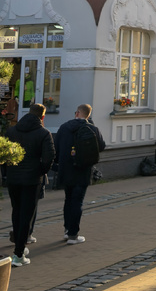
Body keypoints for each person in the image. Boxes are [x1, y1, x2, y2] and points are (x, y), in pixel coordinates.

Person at [6, 102, 55, 267]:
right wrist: (40, 171)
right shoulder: (43, 133)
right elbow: (49, 157)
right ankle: (19, 254)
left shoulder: (12, 131)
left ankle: (19, 247)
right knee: (27, 215)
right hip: (32, 180)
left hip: (13, 178)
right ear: (42, 116)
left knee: (16, 211)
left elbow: (4, 153)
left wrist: (6, 173)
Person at [54, 103, 105, 245]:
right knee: (78, 201)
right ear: (88, 115)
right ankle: (73, 234)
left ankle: (66, 230)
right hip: (83, 169)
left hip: (66, 169)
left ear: (77, 113)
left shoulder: (64, 127)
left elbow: (56, 147)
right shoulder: (92, 128)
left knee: (68, 200)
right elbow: (101, 146)